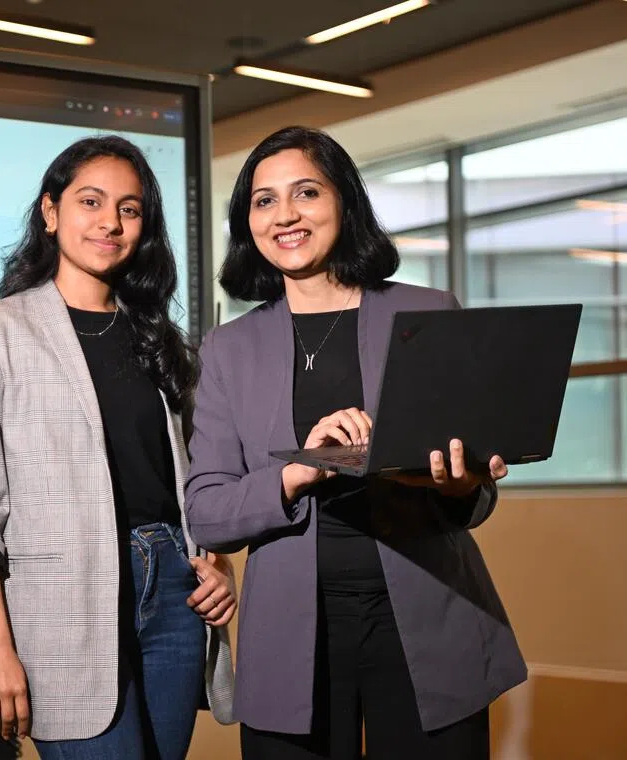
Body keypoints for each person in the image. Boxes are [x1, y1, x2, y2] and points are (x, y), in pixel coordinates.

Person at [184, 126, 527, 760]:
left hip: (426, 619)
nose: (284, 215)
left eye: (306, 192)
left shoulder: (427, 312)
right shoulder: (227, 349)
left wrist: (462, 485)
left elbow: (472, 497)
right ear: (247, 221)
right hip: (291, 633)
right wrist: (299, 472)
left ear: (343, 202)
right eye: (263, 201)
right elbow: (206, 508)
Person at [0, 134, 235, 760]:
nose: (110, 222)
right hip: (58, 608)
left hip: (174, 594)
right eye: (91, 201)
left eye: (129, 209)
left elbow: (185, 478)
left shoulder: (159, 337)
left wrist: (215, 563)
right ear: (50, 212)